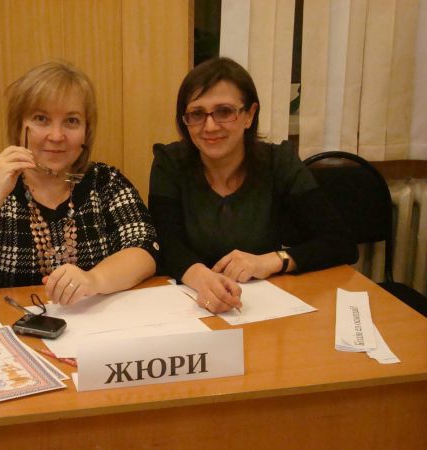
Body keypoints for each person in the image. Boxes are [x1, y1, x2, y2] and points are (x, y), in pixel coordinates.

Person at [0, 61, 159, 304]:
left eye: (72, 121)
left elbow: (144, 248)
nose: (57, 136)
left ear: (87, 131)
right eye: (41, 119)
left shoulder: (105, 182)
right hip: (12, 322)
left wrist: (94, 279)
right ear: (19, 127)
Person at [149, 57, 358, 314]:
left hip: (262, 307)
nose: (210, 126)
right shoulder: (170, 163)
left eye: (224, 111)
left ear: (249, 115)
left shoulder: (279, 161)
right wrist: (202, 278)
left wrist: (273, 261)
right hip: (190, 305)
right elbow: (165, 244)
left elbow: (340, 242)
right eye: (197, 114)